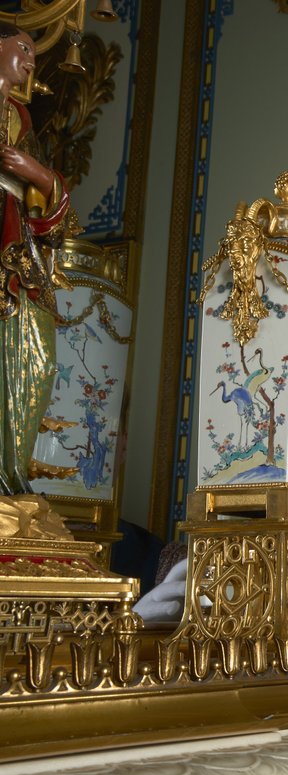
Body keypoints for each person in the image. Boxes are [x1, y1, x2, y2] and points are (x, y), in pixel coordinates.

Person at [0, 24, 71, 495]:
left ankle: (9, 479)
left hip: (16, 266)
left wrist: (39, 175)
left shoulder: (22, 127)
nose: (31, 61)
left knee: (37, 361)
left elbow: (54, 218)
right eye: (23, 48)